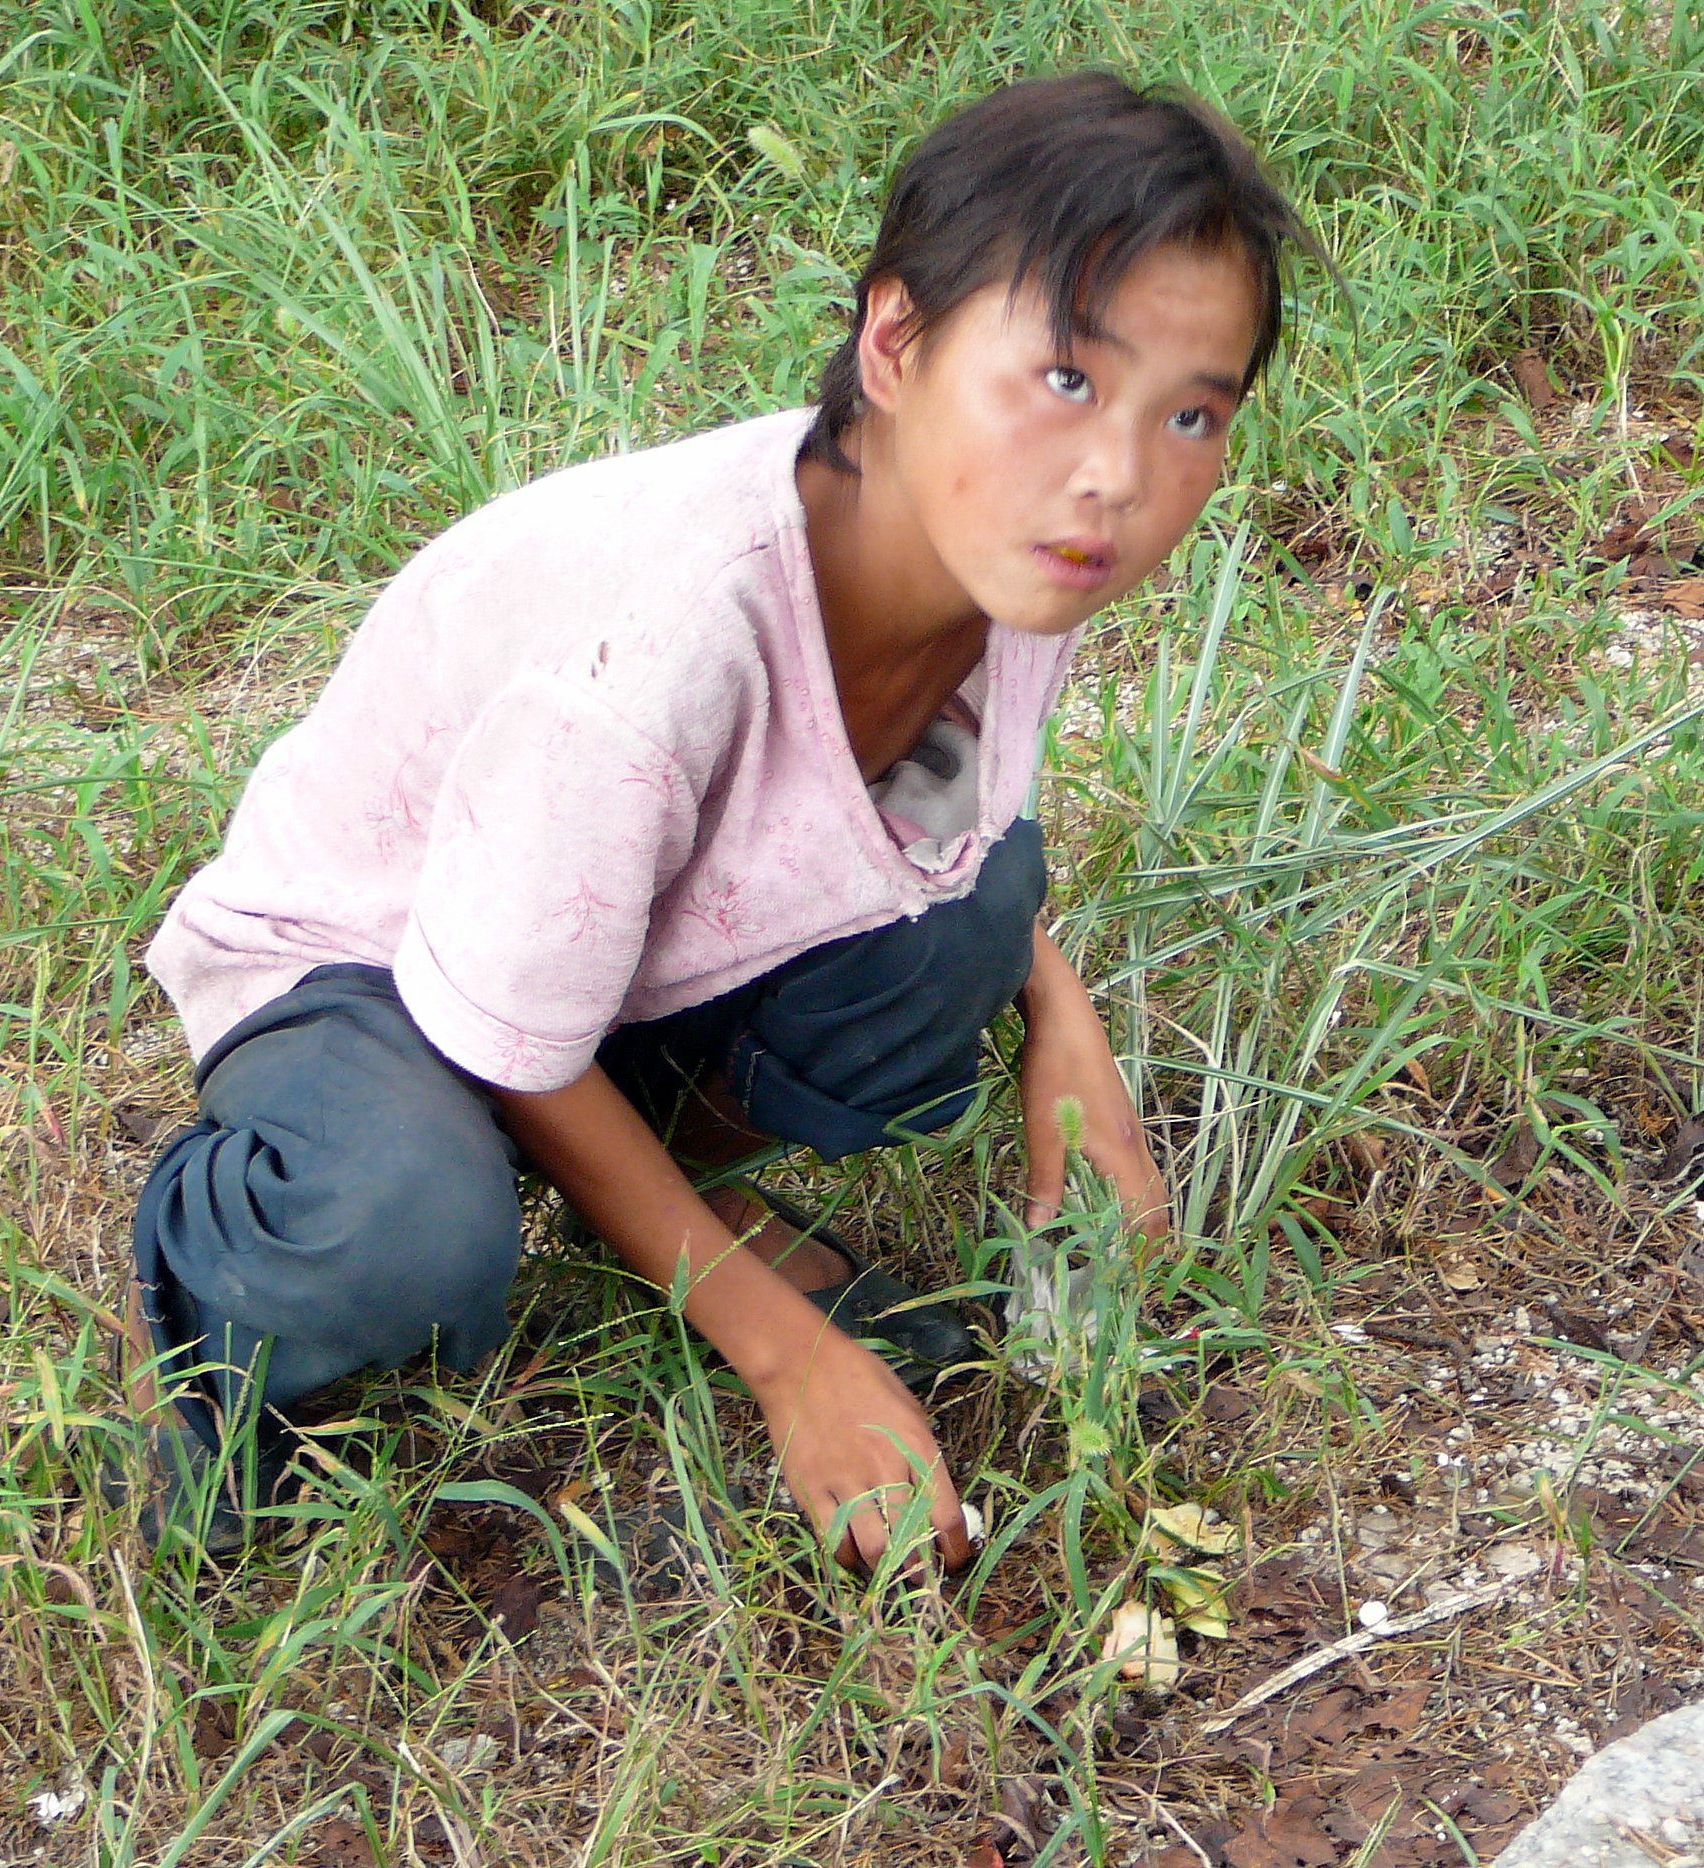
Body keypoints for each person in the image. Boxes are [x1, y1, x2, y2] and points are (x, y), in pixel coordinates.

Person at [121, 70, 1319, 1570]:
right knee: (399, 1228)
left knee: (974, 913)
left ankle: (658, 1212)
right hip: (370, 956)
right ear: (894, 340)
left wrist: (1065, 1049)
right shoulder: (661, 650)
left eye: (1192, 414)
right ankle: (202, 1289)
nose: (1121, 477)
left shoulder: (1012, 541)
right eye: (1068, 378)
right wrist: (788, 1360)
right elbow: (510, 1021)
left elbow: (959, 827)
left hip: (598, 944)